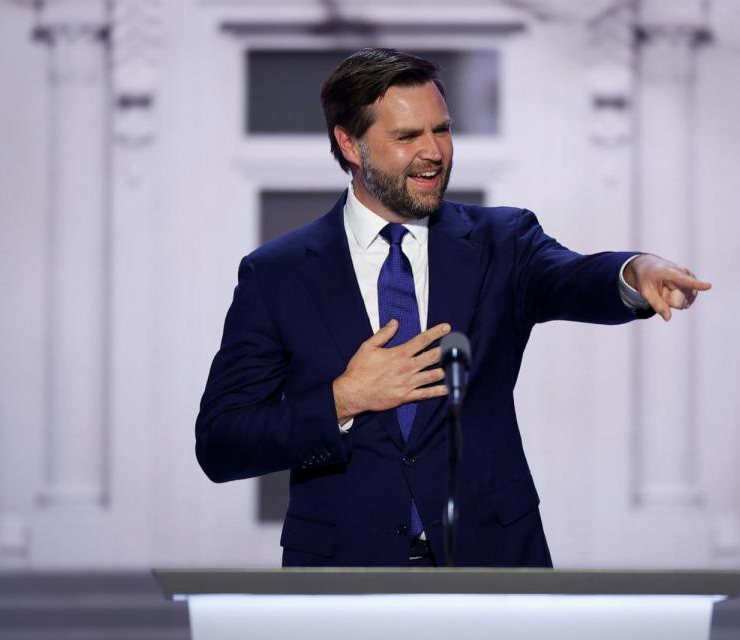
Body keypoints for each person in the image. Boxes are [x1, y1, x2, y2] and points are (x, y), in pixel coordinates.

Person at [195, 48, 711, 568]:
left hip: (492, 561)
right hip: (343, 570)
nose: (434, 152)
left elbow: (574, 276)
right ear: (349, 143)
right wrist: (343, 399)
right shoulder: (276, 273)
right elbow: (222, 442)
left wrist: (633, 272)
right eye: (406, 136)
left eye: (441, 130)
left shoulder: (503, 241)